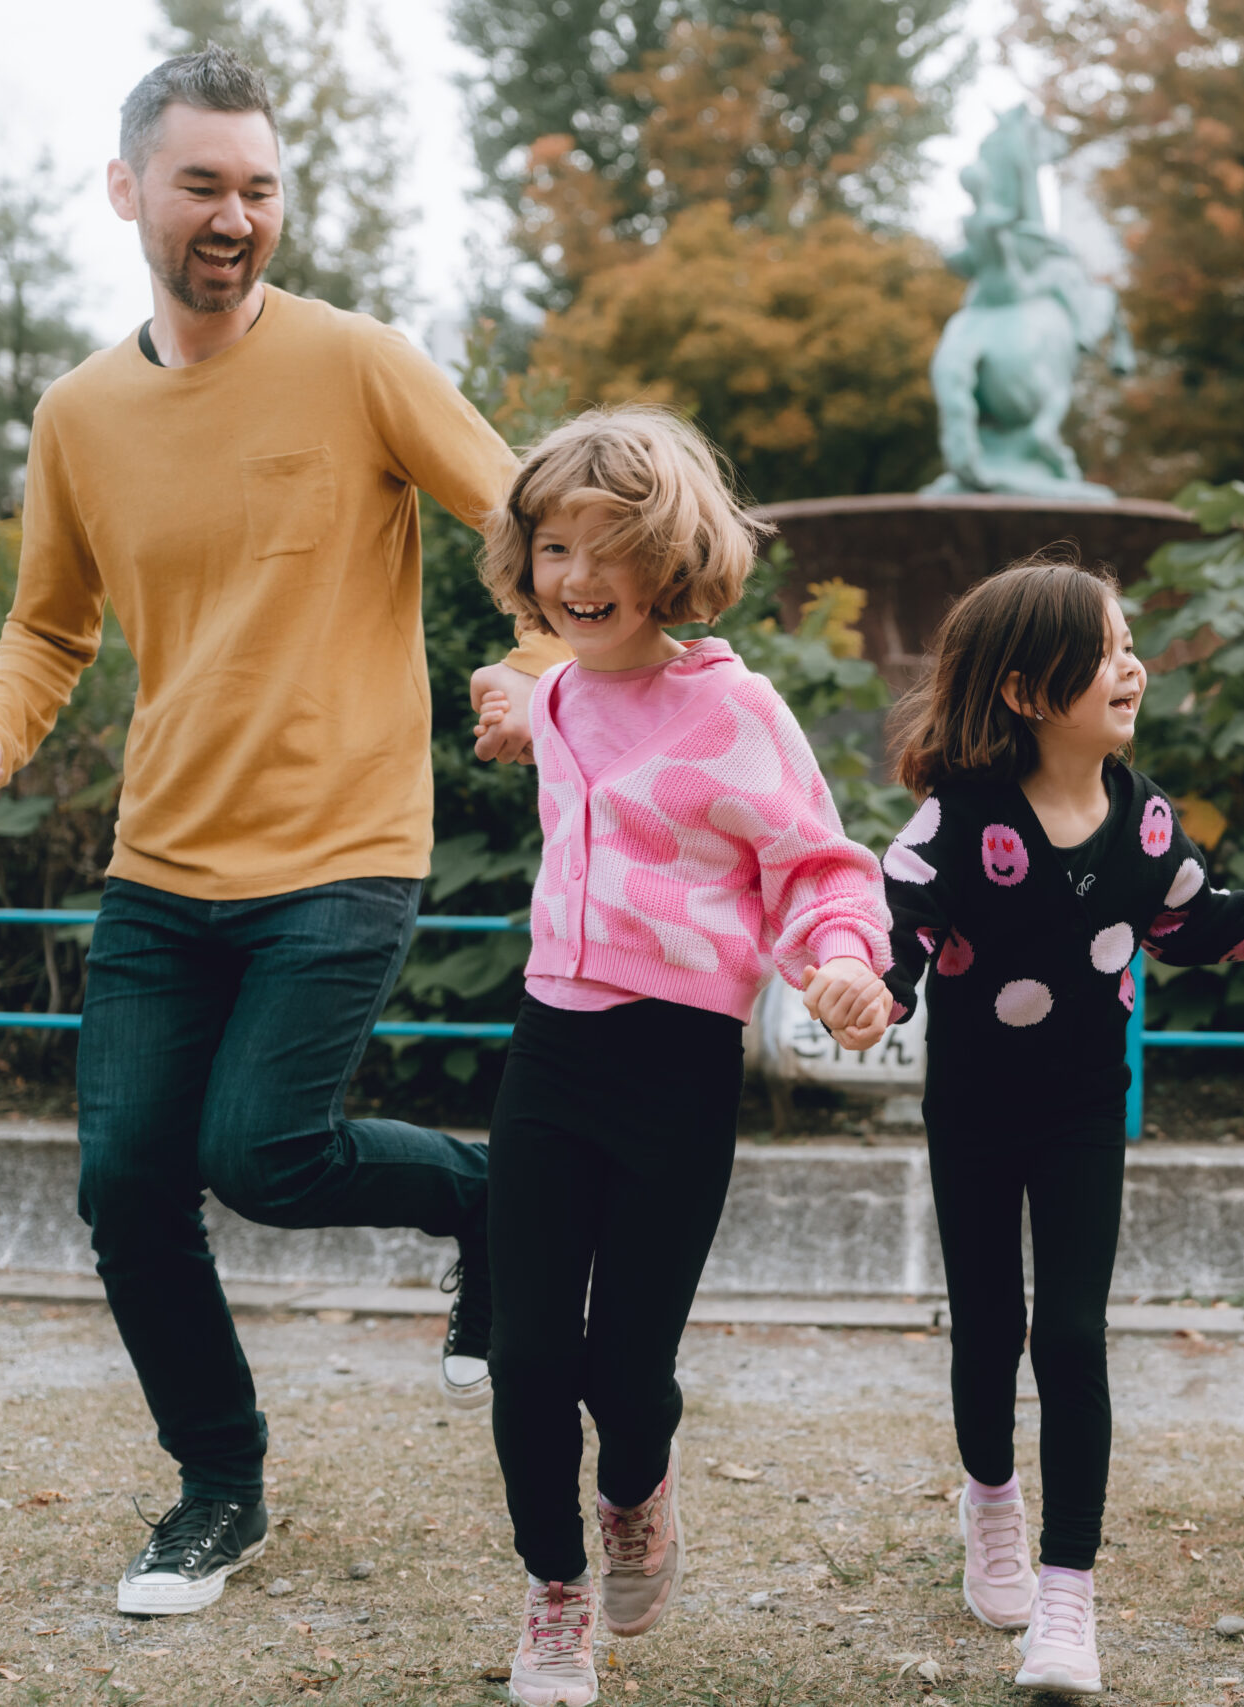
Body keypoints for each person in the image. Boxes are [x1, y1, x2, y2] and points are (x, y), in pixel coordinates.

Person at [0, 46, 564, 1618]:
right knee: (126, 1185)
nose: (234, 215)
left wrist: (541, 664)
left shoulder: (358, 362)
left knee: (258, 1151)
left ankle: (484, 1197)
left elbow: (528, 519)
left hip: (345, 844)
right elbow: (47, 627)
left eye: (260, 188)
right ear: (127, 189)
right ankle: (219, 1483)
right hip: (162, 863)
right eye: (202, 184)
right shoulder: (79, 413)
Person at [464, 407, 894, 1707]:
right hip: (552, 1047)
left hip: (678, 1061)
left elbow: (819, 865)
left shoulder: (737, 708)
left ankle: (636, 1492)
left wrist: (845, 962)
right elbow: (549, 713)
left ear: (669, 559)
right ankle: (553, 1591)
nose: (577, 576)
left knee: (624, 1368)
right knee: (526, 1354)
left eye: (608, 549)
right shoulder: (555, 691)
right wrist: (509, 709)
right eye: (554, 548)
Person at [875, 560, 1244, 1695]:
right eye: (1104, 650)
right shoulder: (959, 820)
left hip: (1084, 1110)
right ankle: (991, 1500)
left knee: (1071, 1334)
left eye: (1129, 643)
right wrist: (869, 990)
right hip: (973, 1111)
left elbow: (1202, 927)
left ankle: (1066, 1594)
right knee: (987, 1326)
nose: (1131, 666)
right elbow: (895, 930)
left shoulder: (1143, 821)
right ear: (1025, 690)